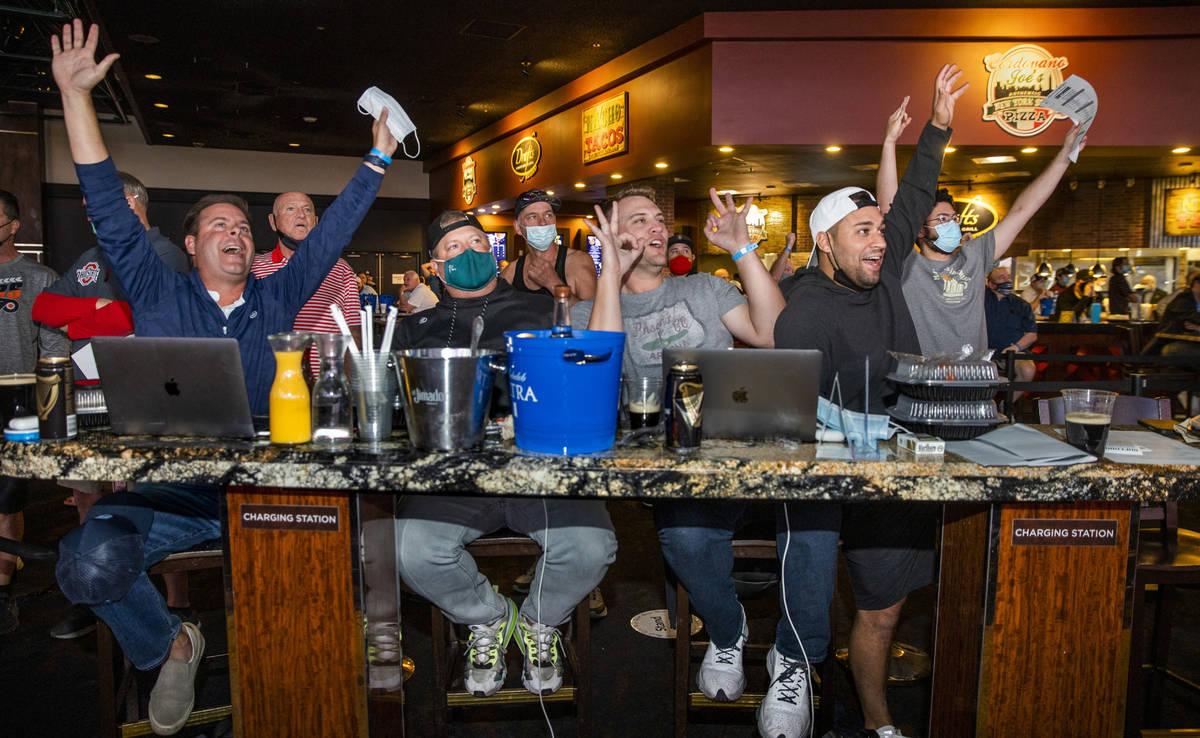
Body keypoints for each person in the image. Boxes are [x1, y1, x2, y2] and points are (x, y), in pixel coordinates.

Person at [47, 19, 395, 735]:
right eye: (217, 226)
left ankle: (316, 677)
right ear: (190, 242)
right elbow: (109, 206)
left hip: (270, 484)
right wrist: (76, 97)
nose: (234, 233)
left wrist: (380, 154)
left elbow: (330, 234)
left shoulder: (277, 295)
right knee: (83, 565)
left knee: (351, 546)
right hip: (173, 489)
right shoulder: (154, 288)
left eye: (242, 225)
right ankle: (170, 643)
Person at [772, 65, 963, 738]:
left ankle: (878, 723)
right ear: (827, 241)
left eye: (880, 231)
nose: (880, 241)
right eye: (863, 231)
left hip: (900, 466)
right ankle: (812, 679)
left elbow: (914, 194)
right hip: (829, 478)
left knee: (884, 608)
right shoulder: (804, 312)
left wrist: (938, 124)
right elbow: (784, 421)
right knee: (832, 595)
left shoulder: (883, 276)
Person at [392, 208, 628, 698]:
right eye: (453, 248)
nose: (469, 253)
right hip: (454, 479)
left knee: (591, 546)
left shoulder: (542, 310)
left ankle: (540, 621)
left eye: (477, 242)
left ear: (494, 252)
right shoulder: (416, 328)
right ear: (435, 267)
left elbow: (592, 360)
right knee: (408, 550)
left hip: (538, 471)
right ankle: (489, 618)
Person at [32, 172, 191, 640]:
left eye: (97, 205)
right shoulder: (88, 258)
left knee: (152, 492)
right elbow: (43, 307)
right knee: (86, 491)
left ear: (131, 203)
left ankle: (178, 604)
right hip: (86, 392)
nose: (89, 214)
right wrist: (98, 313)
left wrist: (94, 315)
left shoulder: (162, 253)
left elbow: (137, 316)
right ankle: (103, 595)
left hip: (144, 393)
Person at [892, 121, 1086, 358]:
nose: (952, 224)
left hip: (973, 383)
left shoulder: (974, 256)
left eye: (954, 218)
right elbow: (889, 206)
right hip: (922, 382)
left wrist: (1064, 156)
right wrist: (890, 143)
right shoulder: (908, 263)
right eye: (942, 219)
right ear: (920, 231)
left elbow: (1022, 210)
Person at [0, 188, 69, 635]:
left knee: (6, 494)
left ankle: (2, 589)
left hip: (18, 395)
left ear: (12, 226)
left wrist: (51, 407)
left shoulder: (40, 278)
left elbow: (55, 347)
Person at [250, 190, 360, 377]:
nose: (301, 215)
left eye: (307, 210)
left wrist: (351, 388)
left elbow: (353, 331)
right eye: (291, 208)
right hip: (267, 382)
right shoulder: (253, 268)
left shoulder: (340, 269)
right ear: (272, 221)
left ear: (316, 222)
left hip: (324, 384)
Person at [499, 188, 596, 303]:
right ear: (518, 228)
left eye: (548, 215)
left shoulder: (578, 262)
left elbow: (594, 317)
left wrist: (554, 284)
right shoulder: (511, 272)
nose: (543, 222)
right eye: (532, 217)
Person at [983, 266, 1037, 396]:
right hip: (983, 353)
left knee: (1028, 370)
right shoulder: (980, 300)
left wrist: (1014, 348)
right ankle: (985, 407)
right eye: (1002, 278)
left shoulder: (1022, 305)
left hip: (1012, 352)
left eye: (1008, 277)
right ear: (990, 284)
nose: (1007, 281)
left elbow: (1031, 335)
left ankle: (1006, 405)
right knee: (984, 372)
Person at [1156, 268, 1200, 361]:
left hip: (1193, 342)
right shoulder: (1183, 300)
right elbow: (1190, 321)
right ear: (1196, 284)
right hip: (1171, 343)